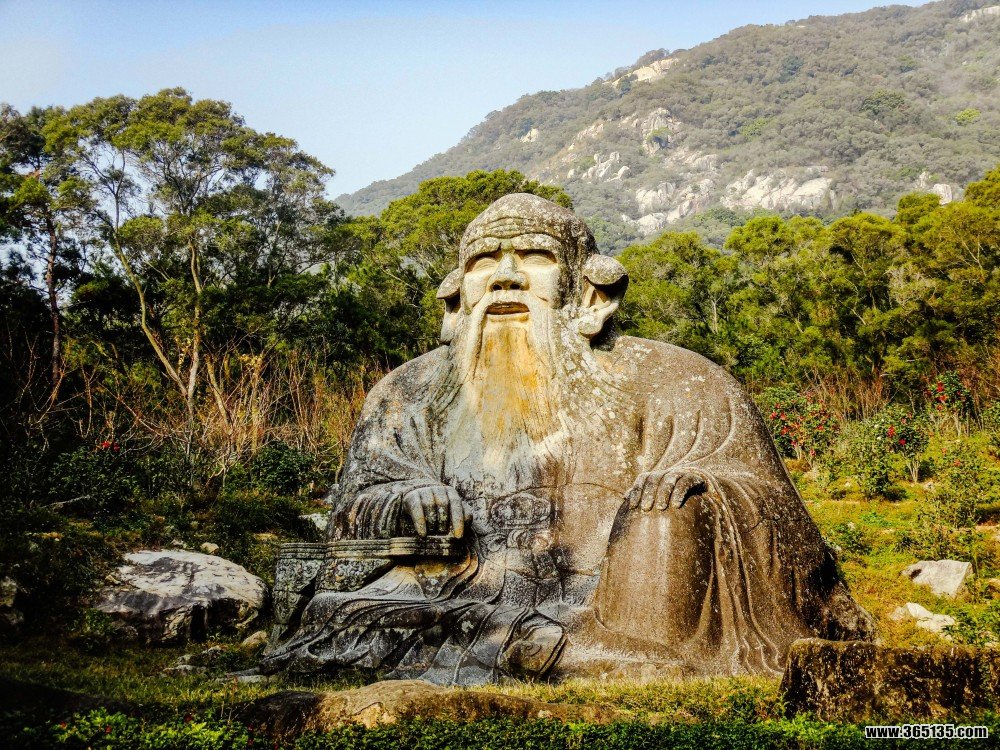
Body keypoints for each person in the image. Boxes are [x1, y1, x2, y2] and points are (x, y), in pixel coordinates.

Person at [261, 194, 872, 686]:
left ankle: (615, 645)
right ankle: (550, 651)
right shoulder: (407, 392)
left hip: (610, 597)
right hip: (452, 587)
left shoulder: (677, 380)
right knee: (337, 615)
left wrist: (696, 488)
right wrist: (406, 498)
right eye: (483, 263)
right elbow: (354, 506)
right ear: (458, 295)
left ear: (589, 293)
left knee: (670, 510)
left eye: (534, 257)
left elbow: (766, 500)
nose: (505, 278)